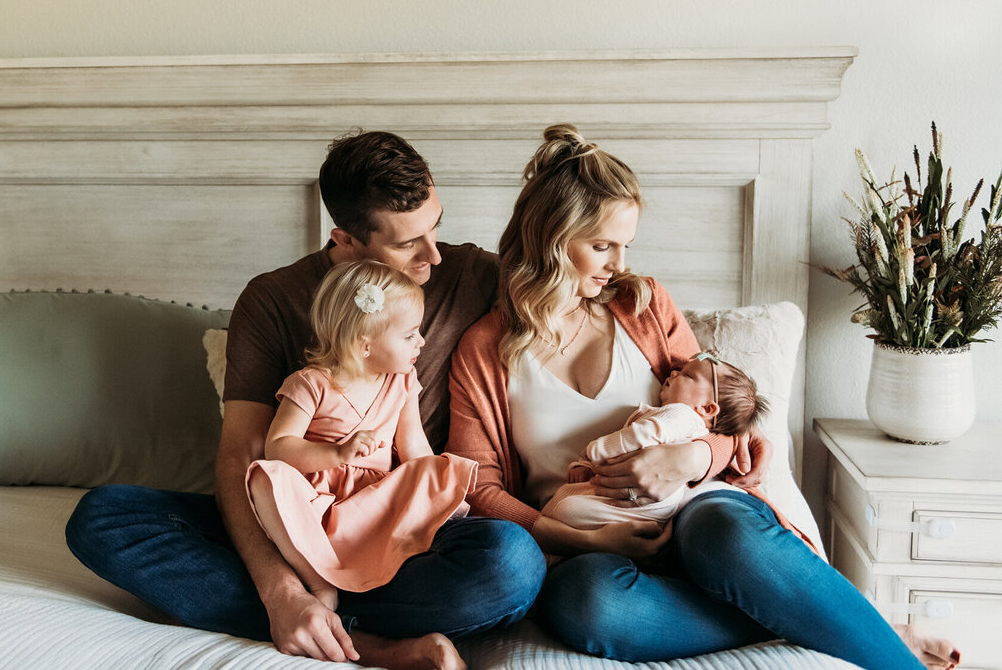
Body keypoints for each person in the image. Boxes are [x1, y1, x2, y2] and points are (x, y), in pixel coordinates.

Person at [445, 123, 961, 670]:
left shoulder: (643, 307)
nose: (619, 263)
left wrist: (689, 457)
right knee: (589, 605)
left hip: (694, 508)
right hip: (584, 540)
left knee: (726, 532)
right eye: (601, 246)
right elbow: (479, 488)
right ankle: (845, 620)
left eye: (626, 245)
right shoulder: (483, 351)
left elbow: (732, 425)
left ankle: (878, 650)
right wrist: (587, 542)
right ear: (550, 236)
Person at [66, 130, 544, 670]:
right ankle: (358, 636)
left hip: (400, 527)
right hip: (296, 520)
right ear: (345, 240)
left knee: (513, 563)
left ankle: (327, 617)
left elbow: (575, 279)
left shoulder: (470, 275)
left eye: (435, 227)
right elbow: (245, 456)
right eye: (407, 244)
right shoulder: (272, 299)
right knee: (104, 517)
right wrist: (280, 592)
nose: (432, 255)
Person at [246, 259, 478, 612]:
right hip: (317, 504)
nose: (422, 341)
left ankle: (392, 569)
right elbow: (277, 447)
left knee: (433, 471)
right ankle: (317, 580)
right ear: (363, 345)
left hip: (374, 503)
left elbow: (414, 446)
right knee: (265, 477)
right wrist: (337, 455)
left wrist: (441, 493)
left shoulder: (401, 382)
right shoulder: (311, 384)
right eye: (409, 334)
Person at [541, 351, 767, 530]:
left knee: (565, 509)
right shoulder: (685, 421)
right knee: (567, 506)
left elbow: (638, 436)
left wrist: (592, 453)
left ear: (707, 408)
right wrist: (587, 467)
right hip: (650, 505)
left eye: (686, 375)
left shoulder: (680, 414)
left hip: (645, 503)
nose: (674, 373)